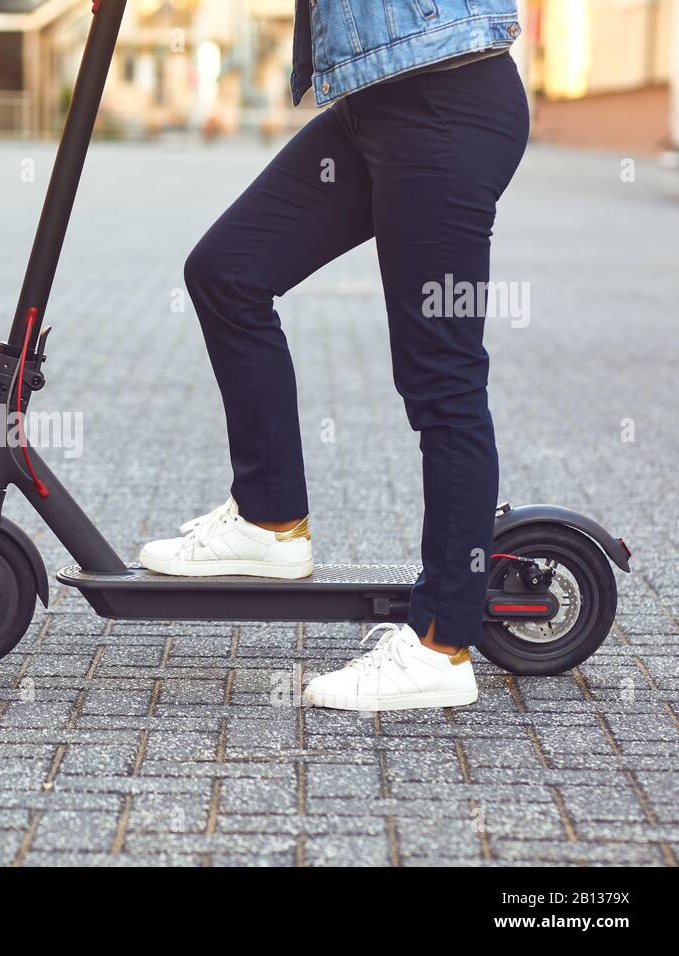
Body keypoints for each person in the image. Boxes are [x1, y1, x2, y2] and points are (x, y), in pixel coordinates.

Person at [139, 1, 530, 712]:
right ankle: (270, 522)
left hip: (445, 102)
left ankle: (440, 645)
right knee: (227, 272)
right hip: (373, 106)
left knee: (441, 381)